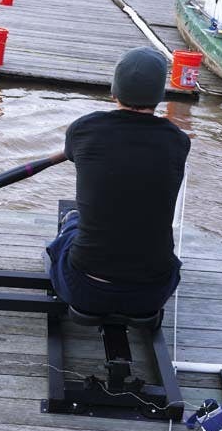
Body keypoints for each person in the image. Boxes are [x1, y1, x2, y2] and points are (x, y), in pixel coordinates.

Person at [46, 47, 191, 318]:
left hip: (84, 289)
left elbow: (81, 156)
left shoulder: (83, 129)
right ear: (160, 97)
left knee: (71, 225)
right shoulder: (178, 141)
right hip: (152, 294)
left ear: (114, 91)